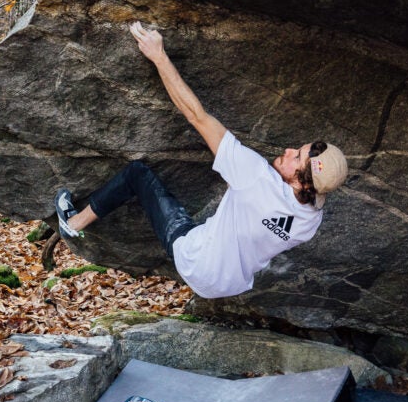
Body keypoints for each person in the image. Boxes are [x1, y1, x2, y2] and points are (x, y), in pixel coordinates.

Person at [53, 21, 348, 299]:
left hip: (195, 262)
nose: (288, 150)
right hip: (230, 285)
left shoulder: (255, 177)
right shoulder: (310, 221)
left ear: (300, 179)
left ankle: (74, 222)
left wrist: (159, 56)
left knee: (137, 173)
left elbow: (196, 115)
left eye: (296, 156)